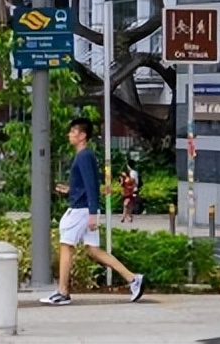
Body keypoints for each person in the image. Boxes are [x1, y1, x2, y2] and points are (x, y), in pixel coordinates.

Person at [42, 118, 144, 306]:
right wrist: (71, 190)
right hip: (84, 208)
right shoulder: (84, 156)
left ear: (82, 136)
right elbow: (89, 184)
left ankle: (63, 291)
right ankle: (133, 278)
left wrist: (92, 213)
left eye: (73, 131)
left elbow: (91, 185)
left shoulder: (84, 156)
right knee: (93, 250)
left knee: (66, 245)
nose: (70, 134)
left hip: (81, 211)